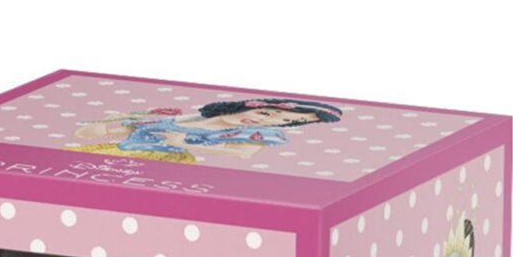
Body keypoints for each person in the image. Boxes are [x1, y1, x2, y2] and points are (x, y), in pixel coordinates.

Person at [69, 96, 343, 163]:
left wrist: (183, 143)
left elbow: (243, 154)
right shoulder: (178, 119)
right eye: (265, 113)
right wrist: (101, 126)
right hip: (115, 156)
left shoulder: (252, 136)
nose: (264, 121)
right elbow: (97, 133)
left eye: (282, 122)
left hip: (165, 163)